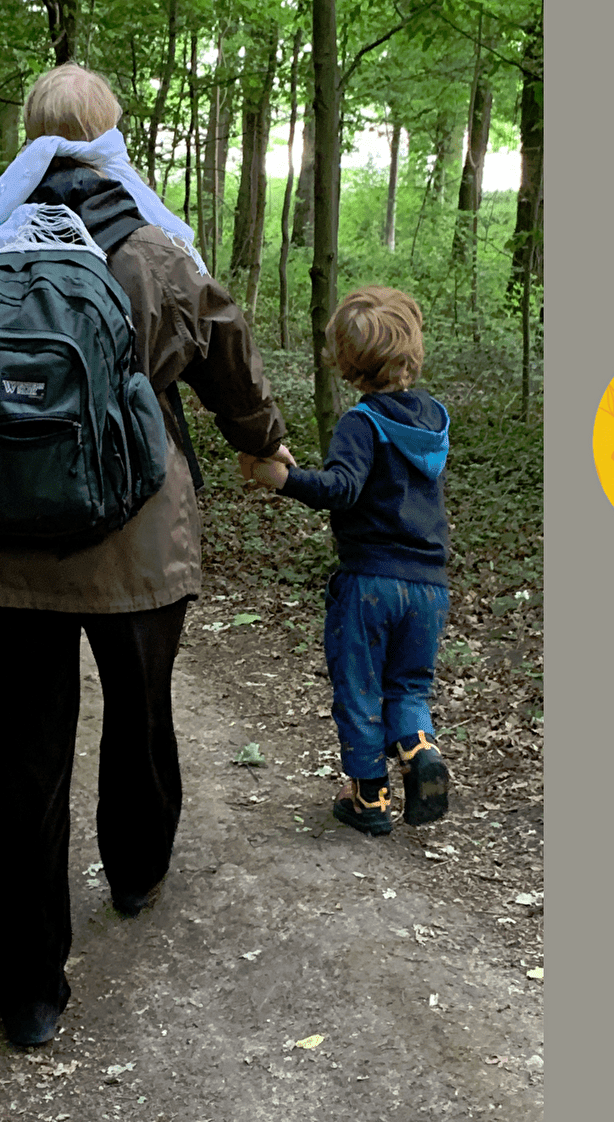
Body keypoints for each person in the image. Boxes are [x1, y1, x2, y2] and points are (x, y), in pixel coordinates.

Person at [0, 63, 293, 1047]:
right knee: (140, 716)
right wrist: (262, 444)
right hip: (139, 534)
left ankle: (28, 991)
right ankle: (136, 870)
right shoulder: (155, 247)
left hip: (5, 542)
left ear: (29, 135)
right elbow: (228, 355)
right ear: (111, 137)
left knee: (25, 761)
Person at [244, 286, 453, 836]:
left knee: (360, 687)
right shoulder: (433, 420)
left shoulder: (362, 422)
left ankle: (369, 797)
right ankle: (419, 748)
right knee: (408, 685)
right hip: (430, 586)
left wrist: (283, 479)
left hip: (370, 584)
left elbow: (342, 488)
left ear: (346, 362)